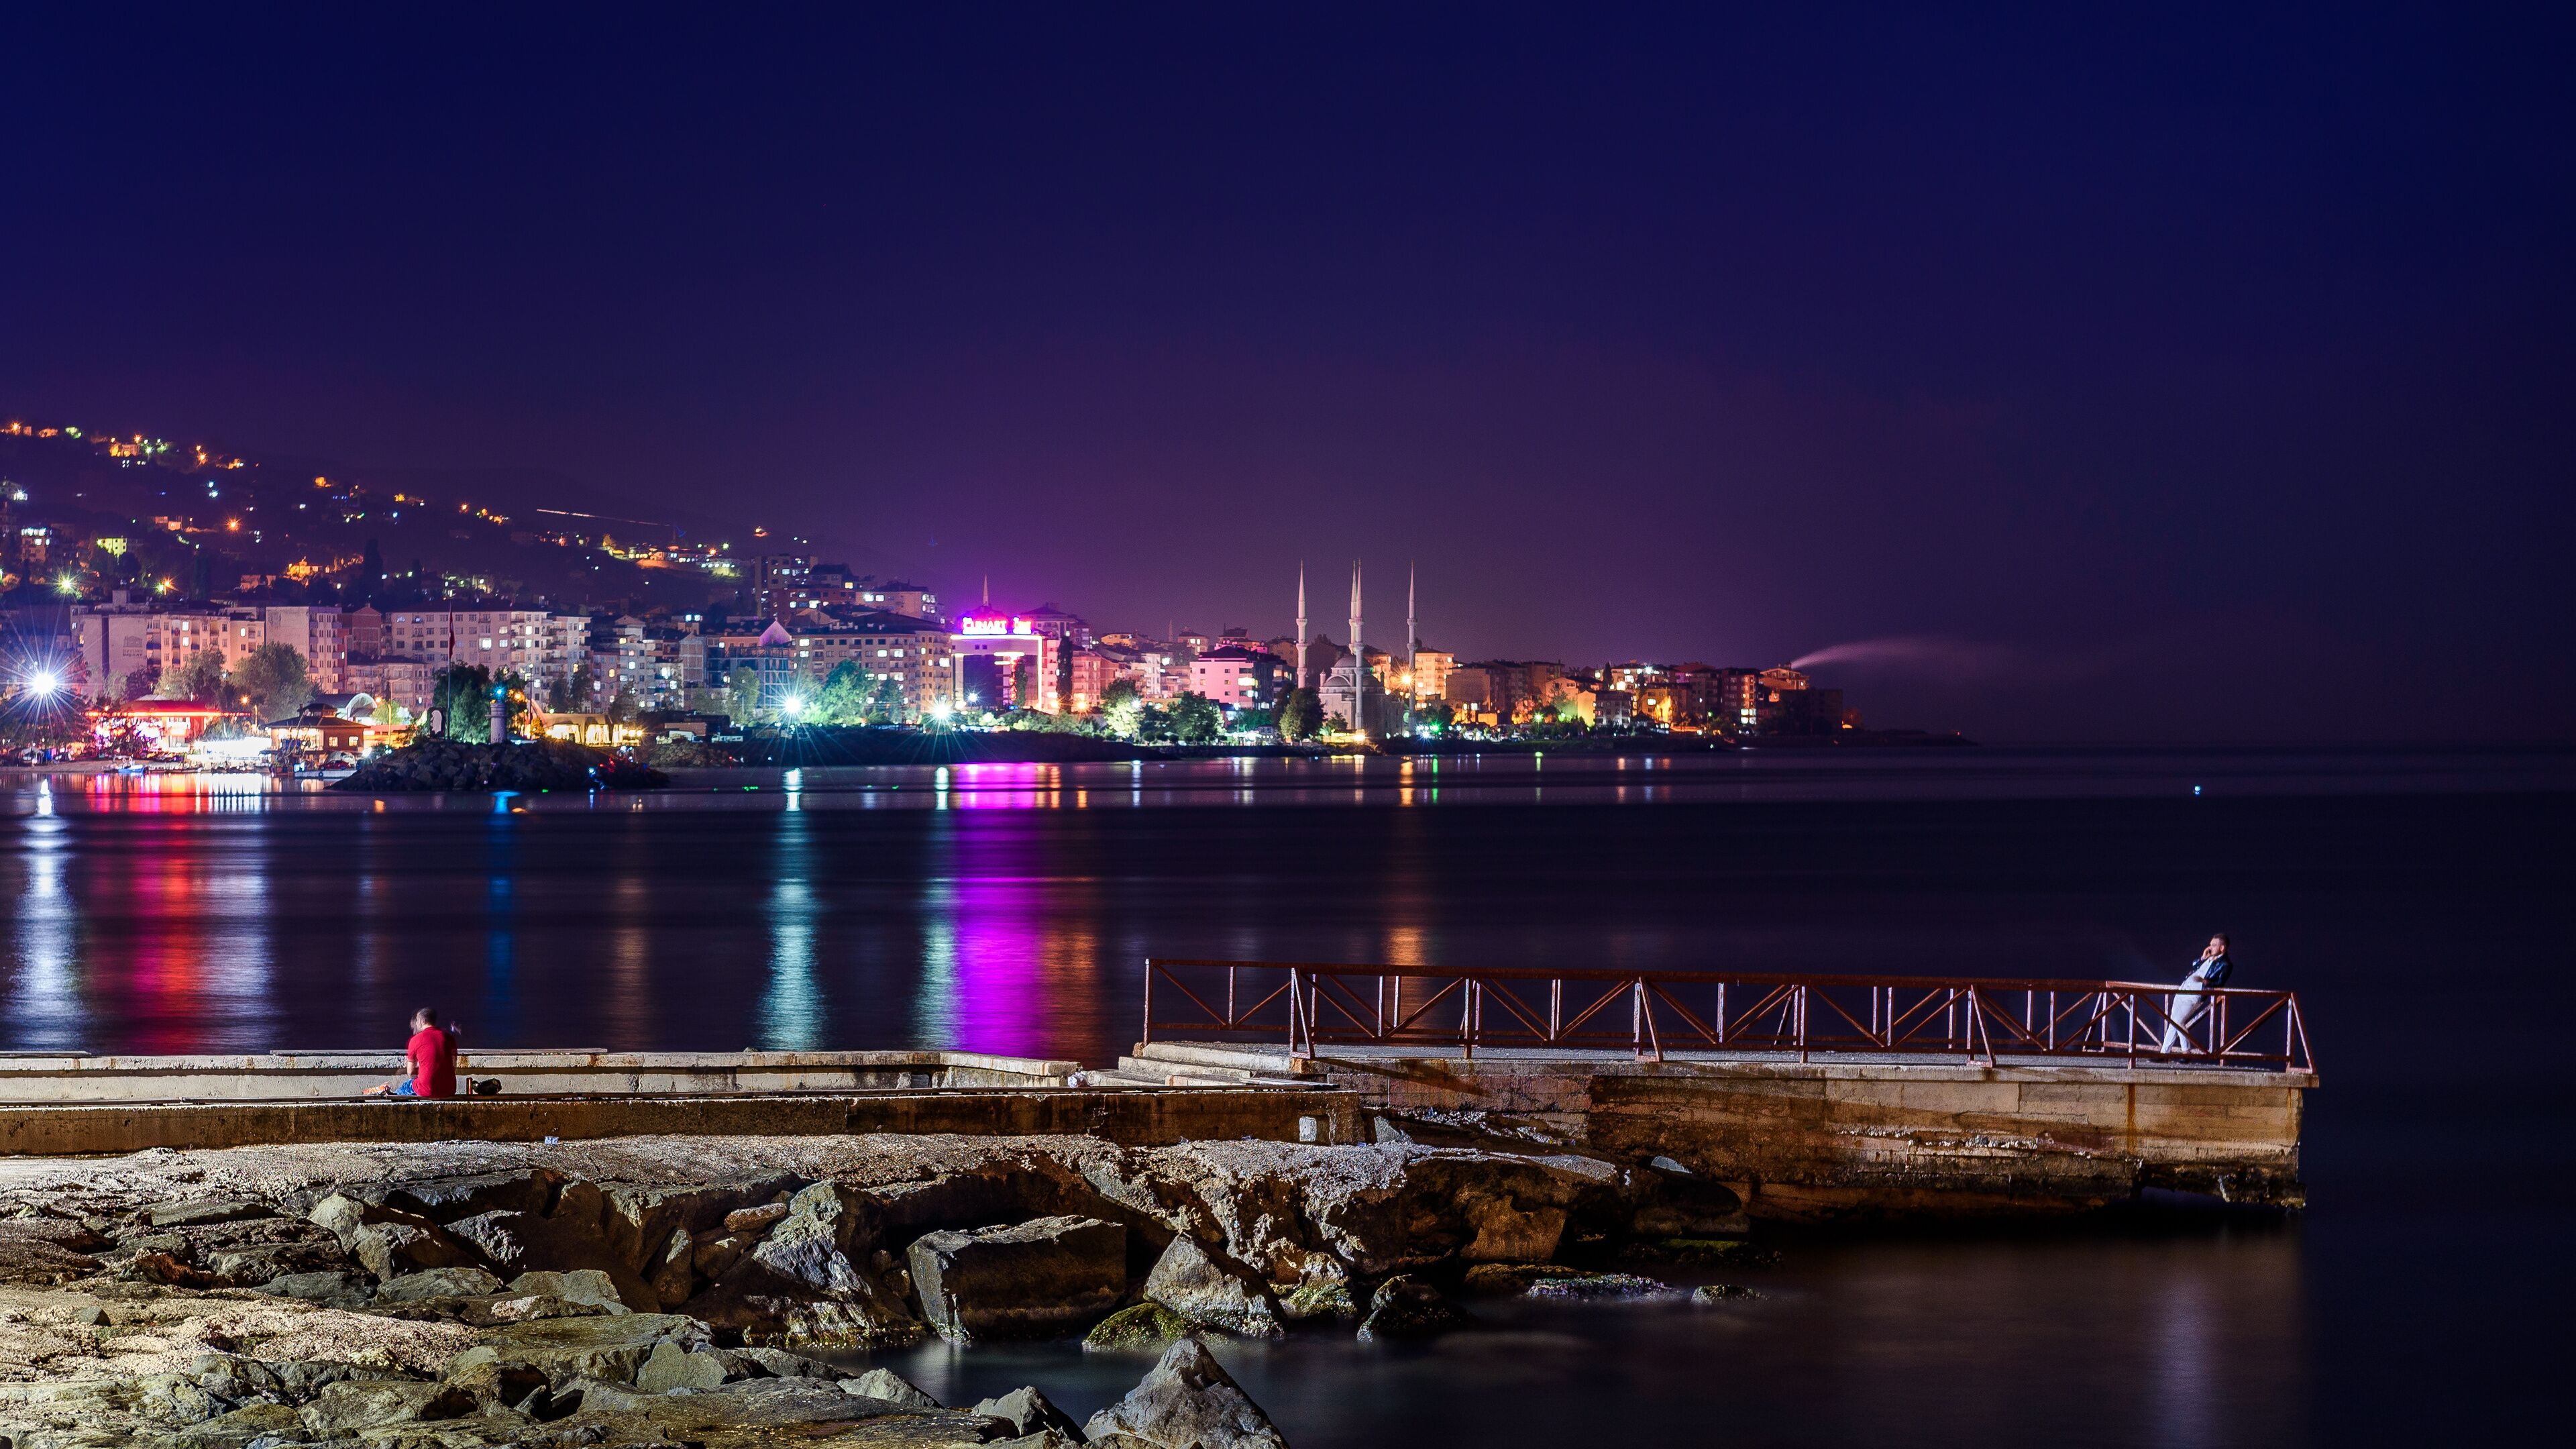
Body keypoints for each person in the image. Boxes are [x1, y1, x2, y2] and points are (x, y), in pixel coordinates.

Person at [2159, 934, 2234, 1053]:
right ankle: (2165, 1054)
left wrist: (2205, 982)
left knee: (2177, 1021)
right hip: (2184, 988)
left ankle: (2184, 1051)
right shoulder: (2209, 958)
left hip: (2196, 994)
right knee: (2174, 1021)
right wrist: (2203, 958)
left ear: (2222, 948)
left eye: (2214, 945)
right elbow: (2195, 966)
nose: (2210, 947)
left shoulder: (2225, 964)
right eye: (2210, 944)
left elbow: (2220, 983)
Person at [363, 1008, 458, 1097]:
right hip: (450, 1089)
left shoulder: (416, 1040)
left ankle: (390, 1096)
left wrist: (420, 1076)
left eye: (417, 1020)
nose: (416, 1023)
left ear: (422, 1021)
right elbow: (454, 1065)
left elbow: (411, 1071)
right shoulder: (449, 1038)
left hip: (427, 1090)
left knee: (405, 1087)